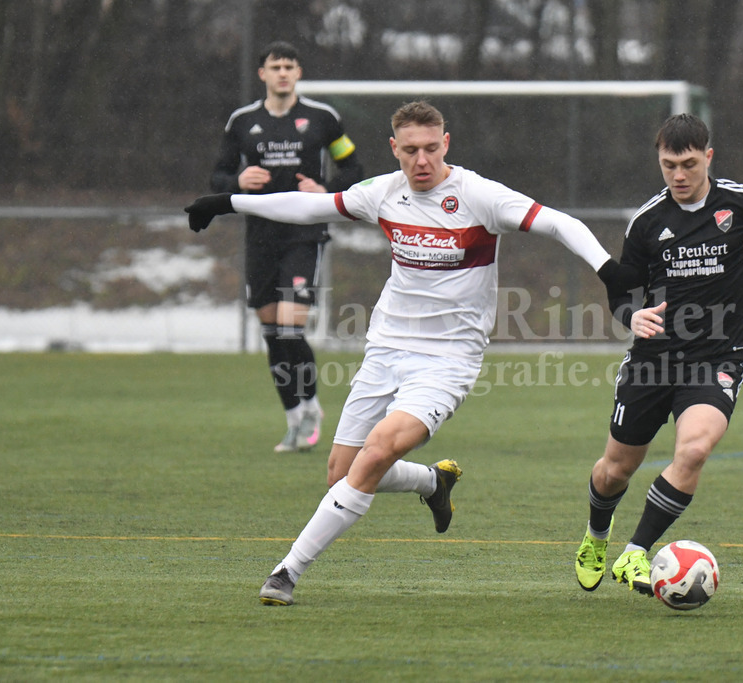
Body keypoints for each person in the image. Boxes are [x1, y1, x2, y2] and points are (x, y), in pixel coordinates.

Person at [186, 100, 634, 606]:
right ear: (394, 149)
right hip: (386, 347)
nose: (421, 161)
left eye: (431, 148)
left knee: (376, 453)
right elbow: (308, 205)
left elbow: (558, 223)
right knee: (342, 471)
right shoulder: (384, 193)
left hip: (449, 359)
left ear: (446, 144)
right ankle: (431, 482)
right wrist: (226, 202)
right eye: (410, 151)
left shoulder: (477, 195)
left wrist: (608, 271)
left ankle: (287, 571)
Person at [573, 113, 743, 595]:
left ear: (708, 157)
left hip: (718, 356)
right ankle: (595, 537)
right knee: (614, 470)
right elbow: (623, 290)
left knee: (694, 449)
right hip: (653, 361)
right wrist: (631, 316)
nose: (679, 175)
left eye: (688, 164)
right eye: (669, 165)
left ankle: (635, 553)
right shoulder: (647, 222)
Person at [207, 40, 364, 453]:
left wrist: (326, 188)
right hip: (260, 236)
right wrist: (237, 183)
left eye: (289, 66)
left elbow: (353, 169)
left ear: (298, 73)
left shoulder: (322, 120)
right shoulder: (242, 122)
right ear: (262, 74)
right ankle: (294, 419)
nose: (282, 73)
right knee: (272, 333)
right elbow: (219, 176)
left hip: (303, 233)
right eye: (274, 66)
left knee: (292, 327)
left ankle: (311, 405)